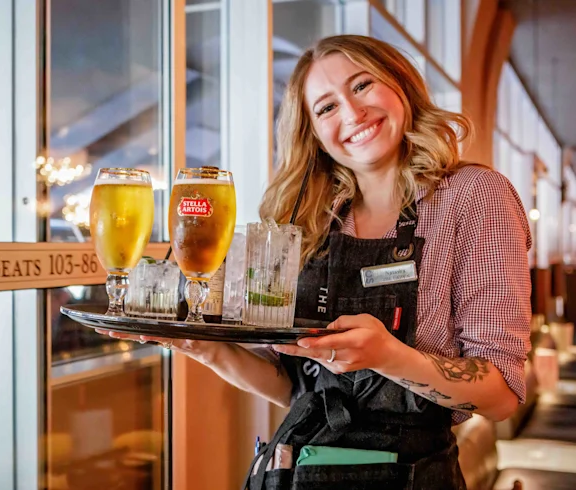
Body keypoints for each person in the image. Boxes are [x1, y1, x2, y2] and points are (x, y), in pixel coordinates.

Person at [100, 35, 531, 489]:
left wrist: (388, 356)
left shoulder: (474, 196)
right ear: (314, 133)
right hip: (298, 472)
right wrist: (204, 347)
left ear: (401, 85)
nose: (353, 112)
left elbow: (500, 395)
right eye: (326, 107)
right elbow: (296, 386)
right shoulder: (316, 219)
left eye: (362, 85)